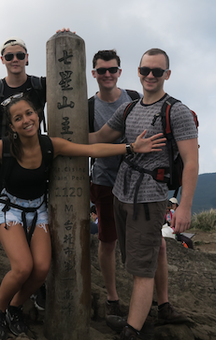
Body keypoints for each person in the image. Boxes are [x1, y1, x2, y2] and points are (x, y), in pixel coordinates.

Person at [0, 96, 165, 340]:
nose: (26, 119)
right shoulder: (3, 147)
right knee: (22, 268)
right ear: (13, 126)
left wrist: (130, 147)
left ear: (37, 116)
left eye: (29, 113)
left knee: (41, 269)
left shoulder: (51, 145)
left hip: (38, 211)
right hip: (10, 211)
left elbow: (90, 148)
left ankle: (15, 307)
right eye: (18, 118)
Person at [90, 48, 198, 340]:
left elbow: (191, 162)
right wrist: (53, 141)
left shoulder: (177, 111)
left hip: (149, 199)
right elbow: (99, 139)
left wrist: (184, 207)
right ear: (137, 72)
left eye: (157, 72)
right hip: (121, 195)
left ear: (167, 75)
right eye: (145, 70)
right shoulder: (128, 109)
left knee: (142, 269)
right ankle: (141, 318)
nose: (150, 76)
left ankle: (131, 332)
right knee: (136, 262)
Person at [88, 49, 141, 318]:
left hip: (137, 181)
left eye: (112, 69)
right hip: (105, 181)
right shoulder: (88, 106)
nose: (107, 74)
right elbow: (85, 142)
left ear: (119, 72)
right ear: (93, 73)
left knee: (140, 241)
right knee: (108, 241)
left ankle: (144, 299)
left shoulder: (134, 99)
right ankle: (112, 298)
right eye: (101, 70)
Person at [0, 37, 46, 153]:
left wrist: (65, 38)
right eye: (9, 56)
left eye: (20, 55)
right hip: (3, 157)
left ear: (27, 58)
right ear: (2, 59)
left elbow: (67, 81)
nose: (15, 60)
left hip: (35, 154)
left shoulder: (41, 85)